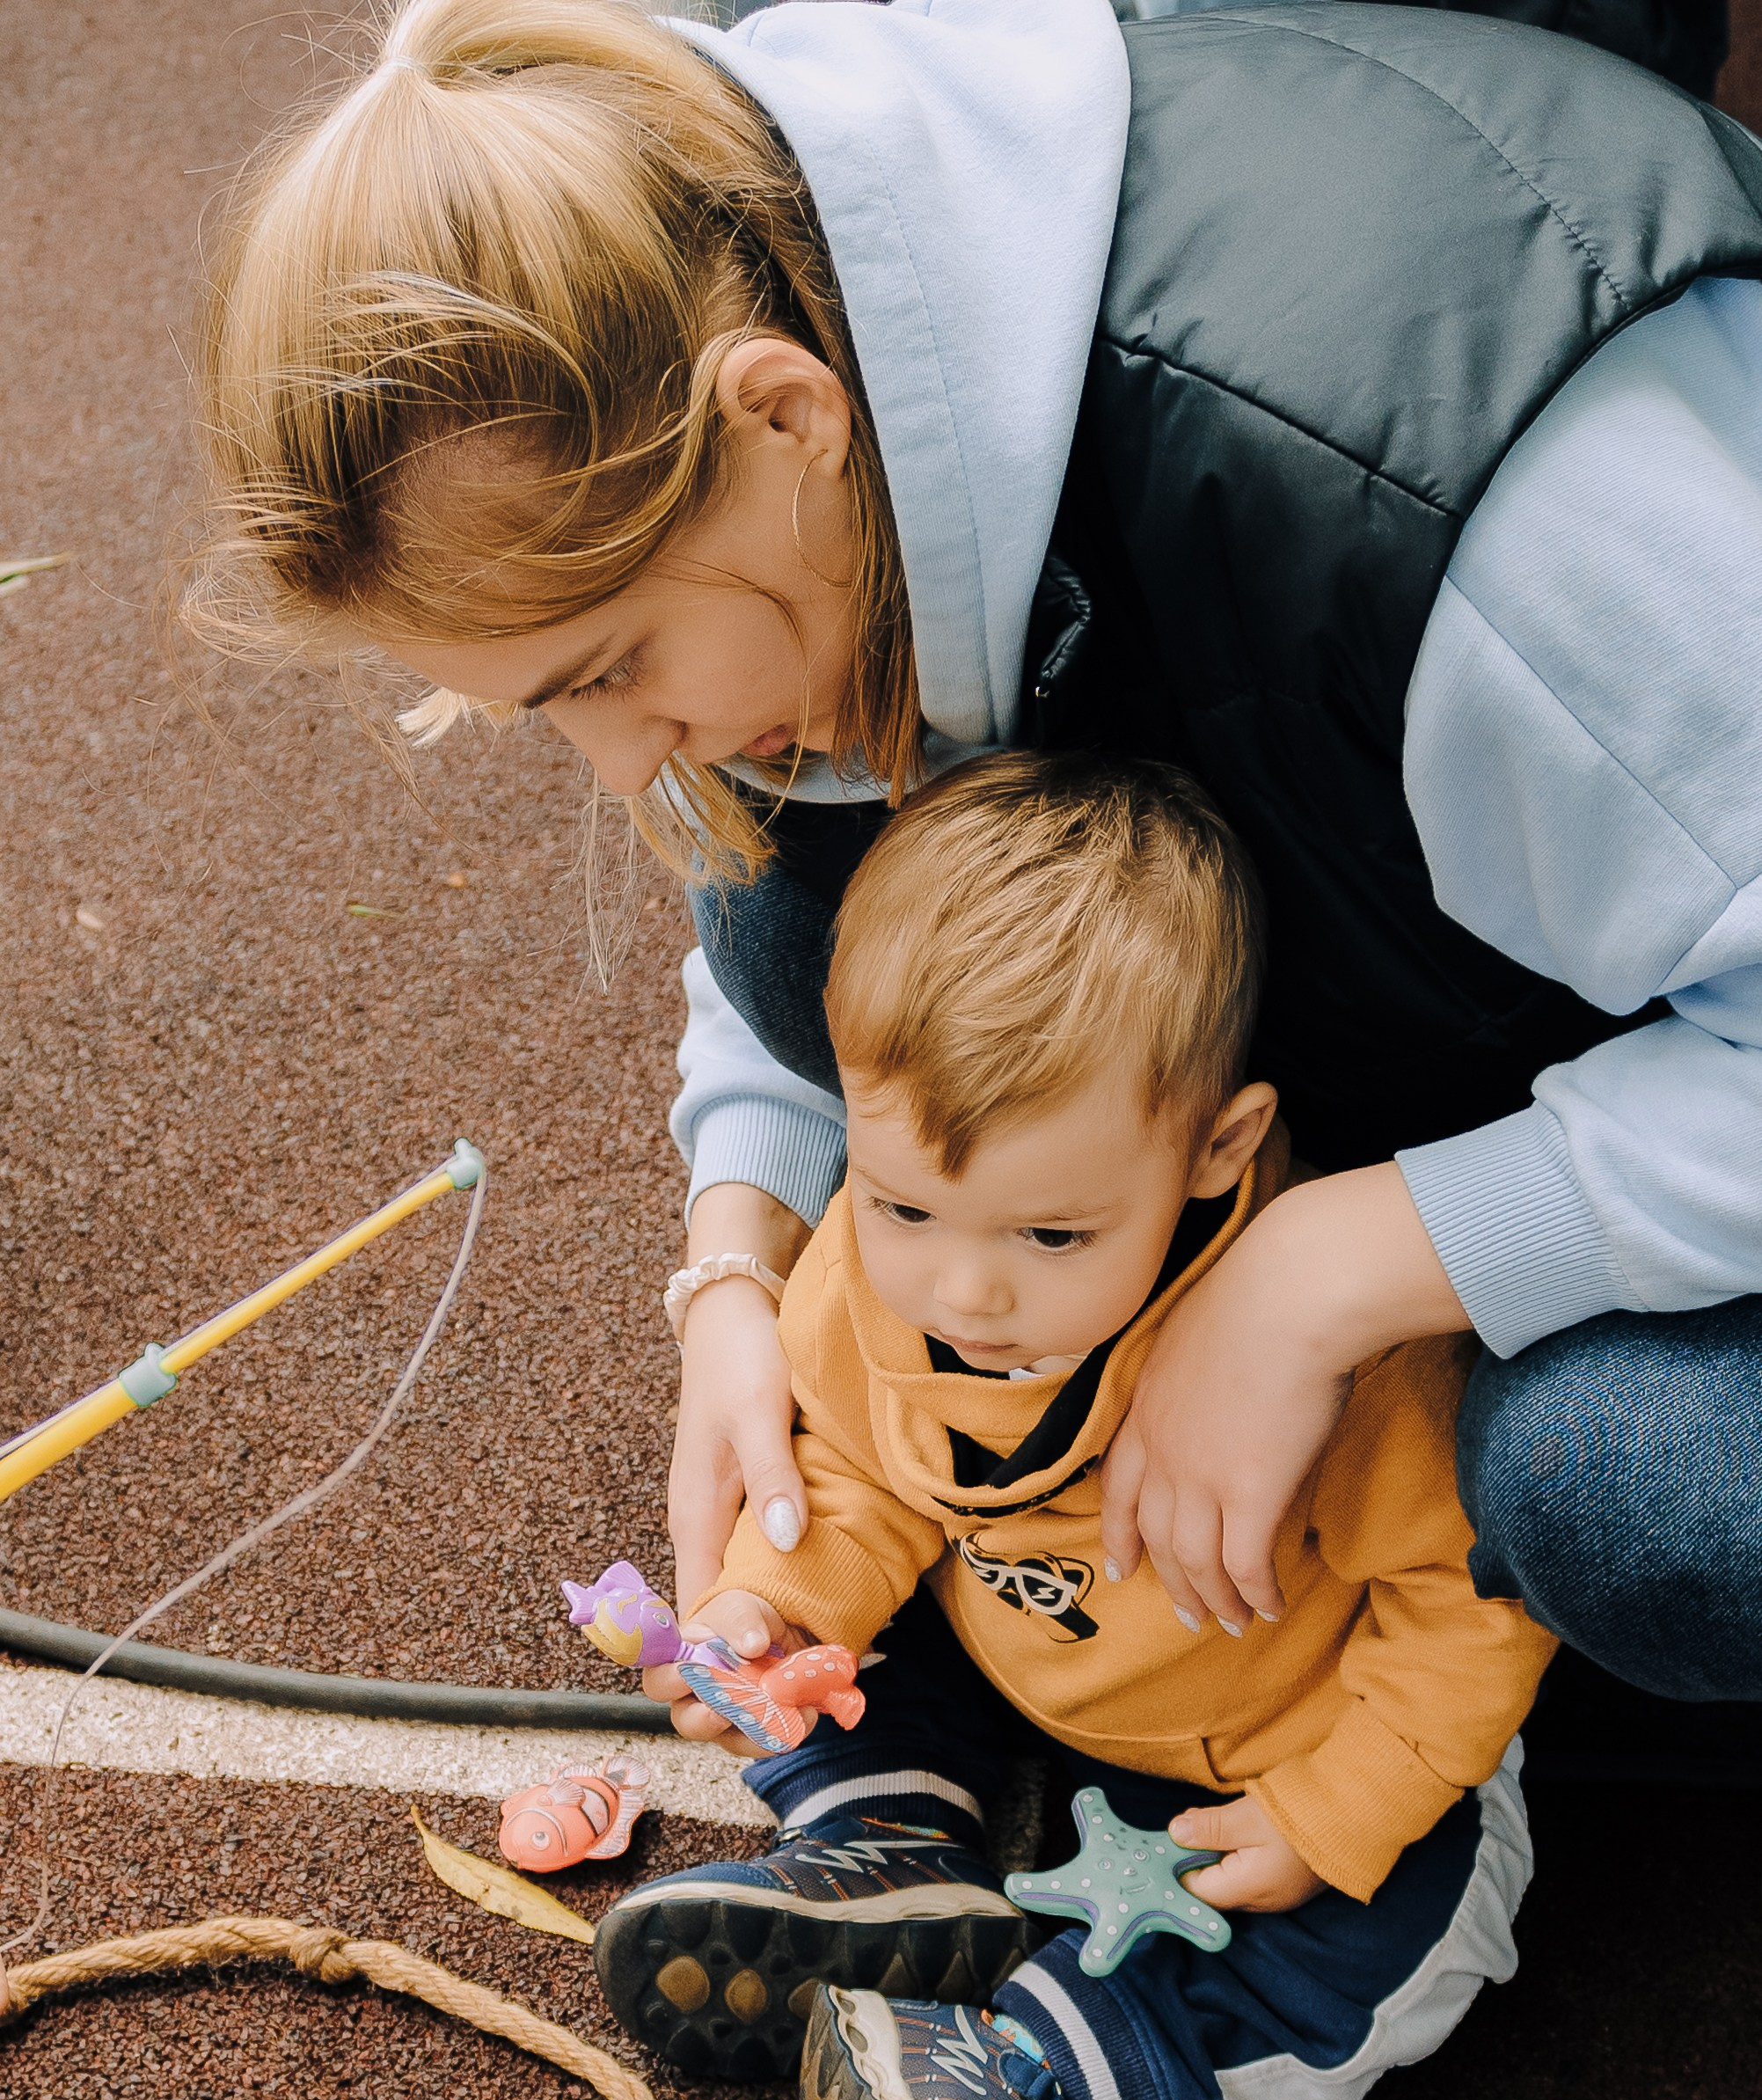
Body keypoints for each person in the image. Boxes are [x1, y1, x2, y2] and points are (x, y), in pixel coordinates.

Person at [186, 0, 1762, 1732]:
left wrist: (1323, 1277)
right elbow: (764, 948)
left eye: (609, 667)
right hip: (1519, 895)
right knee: (806, 921)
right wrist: (741, 1264)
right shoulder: (813, 306)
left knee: (1642, 1499)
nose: (618, 758)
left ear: (782, 417)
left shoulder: (1466, 528)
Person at [592, 750, 1553, 2100]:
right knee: (840, 1621)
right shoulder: (871, 1267)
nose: (964, 1292)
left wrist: (1340, 1804)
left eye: (1049, 1237)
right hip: (1024, 1642)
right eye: (907, 1209)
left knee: (1413, 1939)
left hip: (1283, 1736)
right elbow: (870, 1479)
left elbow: (1469, 1604)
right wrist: (775, 1608)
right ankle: (885, 1846)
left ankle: (1015, 2076)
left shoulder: (1352, 1369)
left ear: (1218, 1151)